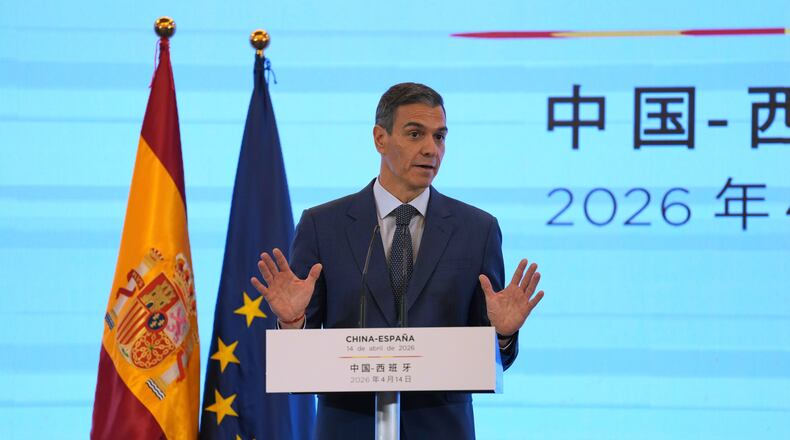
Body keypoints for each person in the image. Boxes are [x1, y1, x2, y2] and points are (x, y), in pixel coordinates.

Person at [251, 82, 544, 439]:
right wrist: (294, 324)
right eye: (415, 134)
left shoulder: (477, 230)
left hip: (440, 429)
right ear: (380, 138)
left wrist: (502, 334)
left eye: (439, 137)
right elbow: (300, 361)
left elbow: (490, 360)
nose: (430, 149)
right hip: (348, 427)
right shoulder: (322, 225)